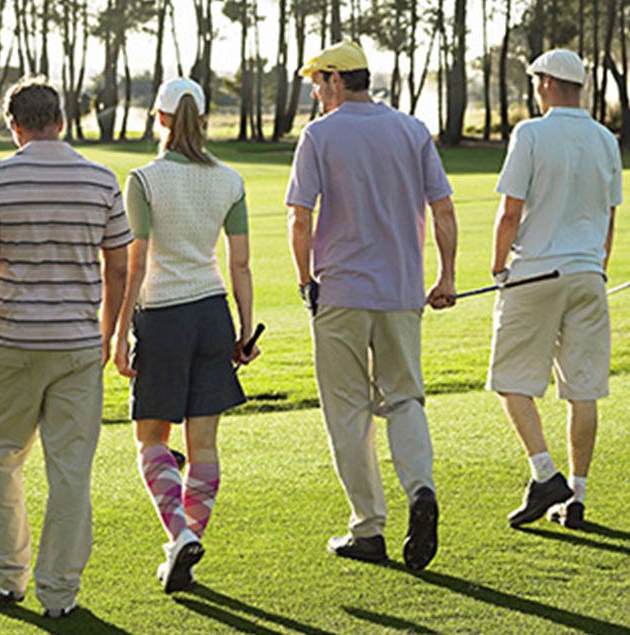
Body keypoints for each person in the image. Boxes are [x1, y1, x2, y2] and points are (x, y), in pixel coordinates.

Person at [286, 40, 457, 569]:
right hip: (402, 292)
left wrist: (304, 280)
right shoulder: (412, 130)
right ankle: (420, 490)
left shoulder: (319, 135)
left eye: (318, 81)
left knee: (348, 411)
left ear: (337, 80)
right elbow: (444, 210)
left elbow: (299, 217)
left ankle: (368, 528)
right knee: (405, 399)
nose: (315, 92)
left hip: (340, 292)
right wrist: (446, 277)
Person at [0, 78, 130, 616]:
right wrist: (111, 333)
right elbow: (118, 266)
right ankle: (59, 594)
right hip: (77, 345)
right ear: (61, 121)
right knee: (70, 471)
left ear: (13, 125)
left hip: (13, 342)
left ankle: (6, 577)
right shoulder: (100, 179)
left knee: (1, 459)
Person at [114, 78, 259, 593]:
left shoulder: (143, 180)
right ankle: (186, 549)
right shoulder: (230, 180)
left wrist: (118, 332)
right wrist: (244, 327)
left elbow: (135, 264)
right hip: (213, 316)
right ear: (201, 119)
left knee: (151, 439)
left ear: (160, 119)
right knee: (205, 446)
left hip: (163, 317)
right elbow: (239, 264)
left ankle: (179, 538)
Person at [487, 49, 622, 529]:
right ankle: (577, 498)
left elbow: (510, 211)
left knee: (509, 380)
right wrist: (597, 267)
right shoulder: (606, 139)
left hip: (535, 274)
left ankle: (546, 475)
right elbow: (609, 216)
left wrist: (497, 267)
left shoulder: (531, 133)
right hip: (588, 274)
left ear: (545, 82)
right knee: (581, 389)